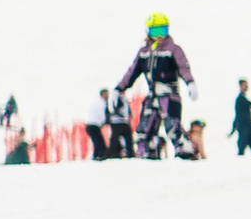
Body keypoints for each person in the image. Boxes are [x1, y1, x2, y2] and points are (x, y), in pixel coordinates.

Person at [116, 14, 198, 160]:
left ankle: (184, 152)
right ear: (148, 32)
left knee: (172, 125)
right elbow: (132, 72)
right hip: (152, 95)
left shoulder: (173, 49)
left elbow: (183, 67)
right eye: (155, 31)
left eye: (163, 31)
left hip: (169, 94)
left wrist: (190, 82)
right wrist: (119, 88)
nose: (159, 36)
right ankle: (146, 153)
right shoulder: (144, 52)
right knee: (145, 127)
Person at [230, 79, 251, 156]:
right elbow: (250, 104)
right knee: (242, 147)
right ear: (240, 86)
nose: (246, 87)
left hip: (249, 126)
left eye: (246, 85)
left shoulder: (243, 98)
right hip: (244, 126)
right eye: (244, 85)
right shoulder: (240, 99)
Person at [85, 89, 115, 160]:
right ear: (103, 94)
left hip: (91, 125)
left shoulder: (96, 102)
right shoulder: (102, 104)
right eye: (107, 94)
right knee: (100, 143)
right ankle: (101, 156)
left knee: (97, 142)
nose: (108, 96)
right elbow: (103, 115)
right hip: (94, 125)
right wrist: (105, 121)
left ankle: (96, 156)